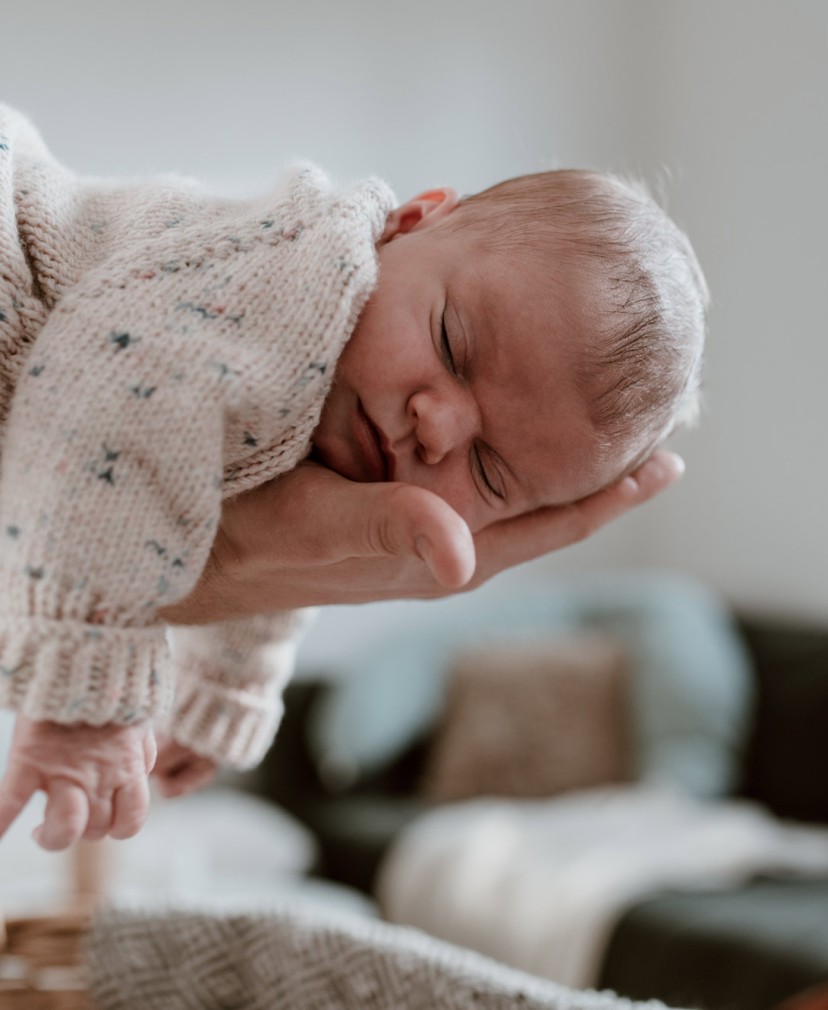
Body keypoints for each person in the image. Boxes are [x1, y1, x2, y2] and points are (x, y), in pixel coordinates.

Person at [0, 104, 706, 851]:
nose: (437, 428)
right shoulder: (298, 276)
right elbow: (113, 416)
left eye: (489, 471)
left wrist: (222, 693)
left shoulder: (317, 407)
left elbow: (243, 504)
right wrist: (87, 705)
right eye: (451, 344)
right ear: (408, 223)